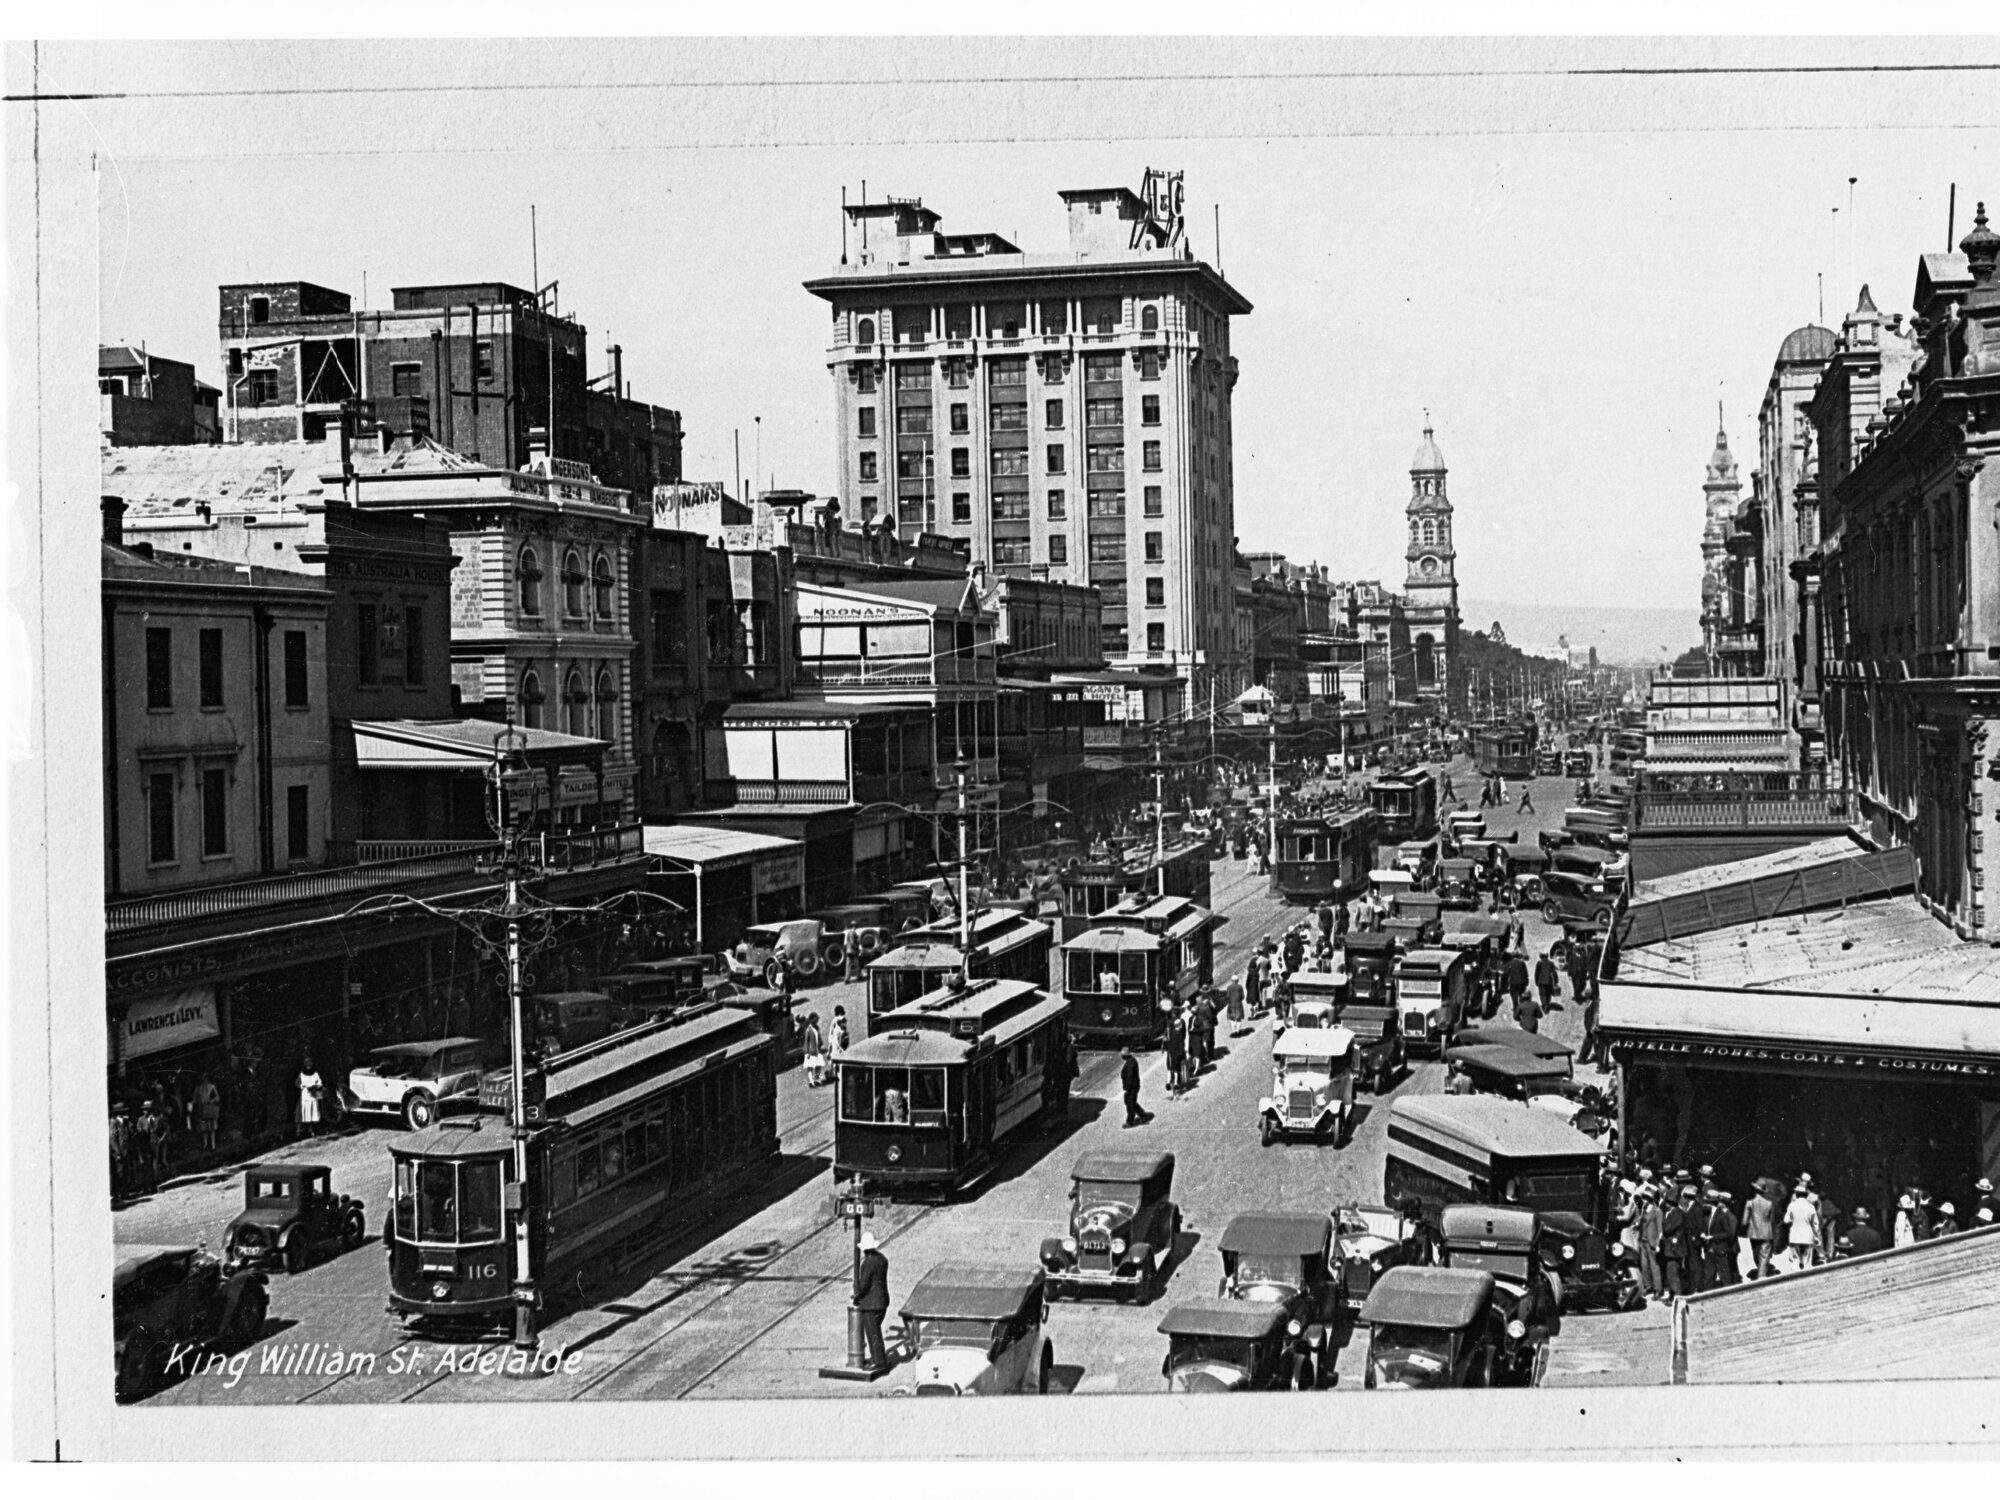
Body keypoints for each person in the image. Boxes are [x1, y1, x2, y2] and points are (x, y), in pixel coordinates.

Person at [853, 1231, 891, 1373]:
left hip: (870, 1304)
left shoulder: (867, 1263)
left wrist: (857, 1295)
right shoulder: (882, 1259)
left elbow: (864, 1285)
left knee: (872, 1332)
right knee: (876, 1331)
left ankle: (878, 1361)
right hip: (882, 1301)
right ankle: (878, 1358)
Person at [1782, 1179, 1821, 1272]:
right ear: (1806, 1194)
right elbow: (1815, 1224)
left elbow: (1786, 1220)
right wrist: (1817, 1237)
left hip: (1795, 1236)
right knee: (1807, 1263)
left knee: (1794, 1262)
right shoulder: (1811, 1207)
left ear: (1796, 1194)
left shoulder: (1792, 1205)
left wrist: (1792, 1220)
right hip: (1807, 1237)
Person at [1660, 1184, 1689, 1299]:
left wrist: (1663, 1224)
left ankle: (1678, 1297)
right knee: (1671, 1273)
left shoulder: (1676, 1214)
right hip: (1672, 1249)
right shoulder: (1674, 1213)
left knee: (1673, 1275)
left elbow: (1667, 1229)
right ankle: (1674, 1295)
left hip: (1674, 1249)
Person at [1636, 1184, 1664, 1302]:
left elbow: (1660, 1229)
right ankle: (1648, 1286)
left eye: (1647, 1198)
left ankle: (1658, 1289)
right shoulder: (1643, 1210)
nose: (1645, 1200)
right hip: (1643, 1241)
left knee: (1654, 1266)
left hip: (1652, 1242)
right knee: (1644, 1265)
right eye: (1644, 1198)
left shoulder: (1657, 1211)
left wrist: (1658, 1244)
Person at [1744, 1180, 1777, 1279]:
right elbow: (1772, 1220)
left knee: (1756, 1254)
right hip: (1766, 1232)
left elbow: (1744, 1221)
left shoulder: (1749, 1203)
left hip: (1754, 1233)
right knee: (1764, 1256)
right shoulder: (1769, 1204)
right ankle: (1761, 1276)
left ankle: (1760, 1274)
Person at [1120, 1046, 1149, 1126]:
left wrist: (1127, 1088)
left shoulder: (1130, 1064)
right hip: (1133, 1086)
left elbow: (1129, 1077)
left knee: (1130, 1104)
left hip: (1132, 1087)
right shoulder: (1130, 1061)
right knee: (1130, 1102)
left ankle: (1130, 1121)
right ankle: (1142, 1114)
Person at [194, 1075, 222, 1153]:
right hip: (201, 1109)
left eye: (205, 1078)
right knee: (204, 1128)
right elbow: (195, 1099)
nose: (204, 1079)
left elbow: (217, 1097)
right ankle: (205, 1143)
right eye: (203, 1078)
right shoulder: (198, 1088)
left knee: (212, 1127)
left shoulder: (212, 1087)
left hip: (210, 1108)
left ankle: (213, 1144)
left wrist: (212, 1101)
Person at [801, 1014, 826, 1088]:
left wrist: (820, 1041)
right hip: (811, 1051)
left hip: (818, 1049)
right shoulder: (808, 1029)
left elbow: (819, 1036)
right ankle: (811, 1081)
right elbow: (806, 1041)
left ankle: (817, 1079)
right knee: (811, 1066)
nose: (817, 1021)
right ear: (812, 1020)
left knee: (818, 1065)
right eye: (816, 1020)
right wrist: (806, 1052)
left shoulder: (816, 1028)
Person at [1533, 950, 1559, 1017]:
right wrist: (1556, 981)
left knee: (1542, 994)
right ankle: (1547, 1004)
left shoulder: (1539, 963)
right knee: (1548, 993)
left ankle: (1544, 1005)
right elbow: (1554, 973)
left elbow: (1536, 973)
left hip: (1541, 981)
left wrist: (1536, 981)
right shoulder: (1550, 963)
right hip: (1548, 981)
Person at [1163, 1020, 1186, 1098]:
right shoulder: (1179, 1034)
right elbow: (1181, 1044)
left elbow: (1166, 1041)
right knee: (1176, 1069)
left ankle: (1169, 1080)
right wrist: (1182, 1054)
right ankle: (1175, 1083)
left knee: (1170, 1067)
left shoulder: (1170, 1032)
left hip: (1170, 1053)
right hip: (1177, 1054)